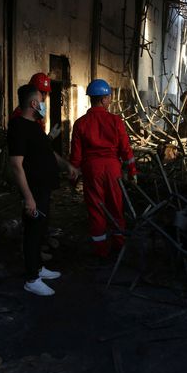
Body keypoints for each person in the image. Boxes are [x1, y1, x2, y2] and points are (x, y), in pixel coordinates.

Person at [7, 84, 79, 296]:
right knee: (32, 232)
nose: (44, 105)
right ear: (33, 103)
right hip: (34, 189)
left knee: (41, 229)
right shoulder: (18, 126)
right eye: (42, 101)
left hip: (44, 188)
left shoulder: (35, 126)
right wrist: (28, 197)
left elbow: (49, 154)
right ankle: (31, 279)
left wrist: (67, 165)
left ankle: (38, 267)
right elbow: (16, 165)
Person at [70, 79, 137, 261]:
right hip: (113, 169)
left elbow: (75, 156)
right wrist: (132, 171)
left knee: (96, 209)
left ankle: (100, 251)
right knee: (116, 206)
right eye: (109, 97)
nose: (110, 100)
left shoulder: (80, 123)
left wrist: (73, 176)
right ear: (105, 99)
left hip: (92, 170)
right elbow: (126, 149)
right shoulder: (115, 121)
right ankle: (119, 245)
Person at [10, 72, 61, 140]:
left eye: (45, 93)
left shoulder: (37, 113)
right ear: (31, 91)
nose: (43, 97)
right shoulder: (19, 115)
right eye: (41, 92)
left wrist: (48, 138)